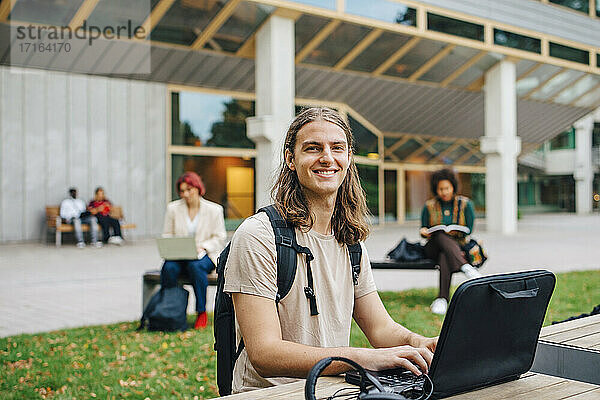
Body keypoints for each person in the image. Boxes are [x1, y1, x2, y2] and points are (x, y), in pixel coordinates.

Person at [223, 107, 437, 393]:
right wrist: (361, 358)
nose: (327, 157)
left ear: (348, 158)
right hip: (270, 394)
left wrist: (419, 343)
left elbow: (379, 329)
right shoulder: (258, 235)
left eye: (337, 148)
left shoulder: (350, 239)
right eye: (313, 148)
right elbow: (264, 353)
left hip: (329, 391)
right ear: (291, 159)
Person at [161, 172, 226, 329]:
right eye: (182, 191)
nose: (186, 194)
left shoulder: (214, 210)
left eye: (189, 190)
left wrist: (203, 246)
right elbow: (167, 234)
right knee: (168, 268)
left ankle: (201, 311)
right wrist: (177, 244)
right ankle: (171, 310)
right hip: (180, 254)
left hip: (204, 254)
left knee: (195, 267)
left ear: (198, 188)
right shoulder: (173, 209)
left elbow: (220, 237)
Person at [420, 168, 482, 315]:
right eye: (440, 189)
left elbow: (469, 228)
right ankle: (465, 267)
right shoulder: (429, 206)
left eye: (447, 188)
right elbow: (423, 228)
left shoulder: (466, 204)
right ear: (436, 189)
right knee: (441, 235)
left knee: (445, 255)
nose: (444, 192)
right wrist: (423, 231)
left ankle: (442, 299)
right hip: (432, 247)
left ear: (453, 187)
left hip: (457, 247)